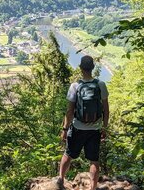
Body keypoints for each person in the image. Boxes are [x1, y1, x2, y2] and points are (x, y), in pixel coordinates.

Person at [57, 55, 109, 190]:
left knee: (68, 154)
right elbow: (106, 109)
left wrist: (64, 129)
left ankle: (61, 181)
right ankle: (93, 187)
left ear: (80, 68)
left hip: (77, 128)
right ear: (92, 68)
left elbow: (69, 111)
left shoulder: (75, 86)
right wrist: (104, 128)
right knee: (94, 160)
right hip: (95, 129)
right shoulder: (100, 85)